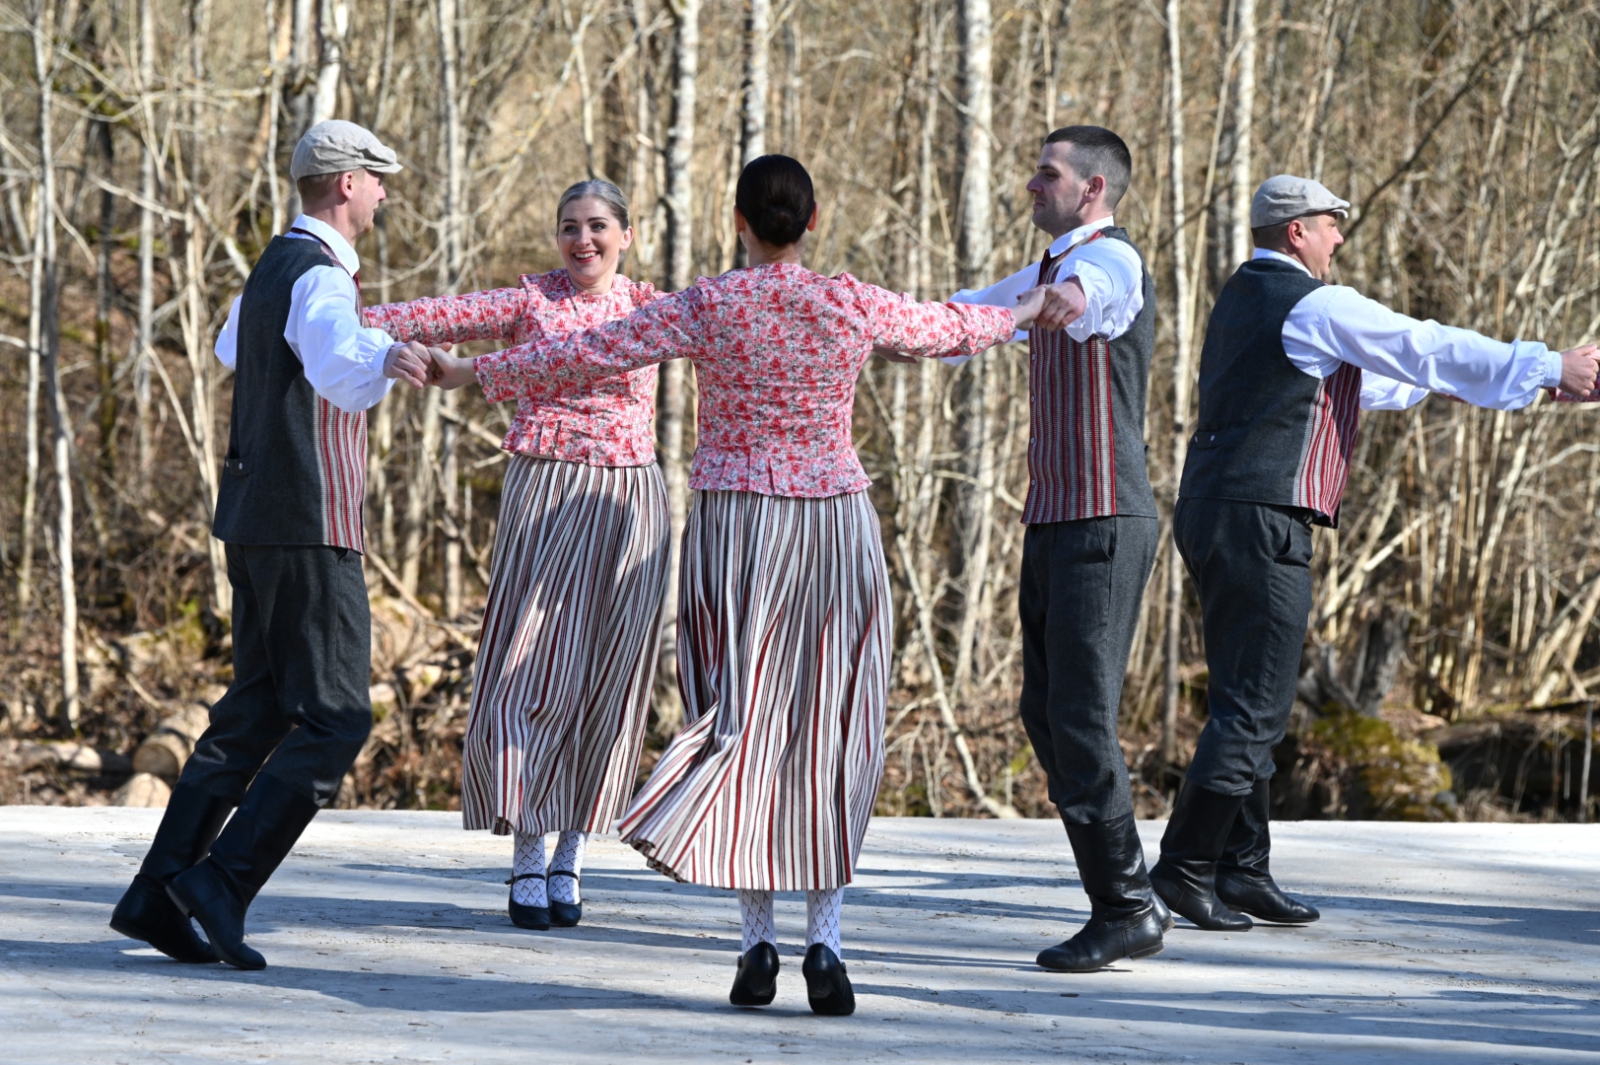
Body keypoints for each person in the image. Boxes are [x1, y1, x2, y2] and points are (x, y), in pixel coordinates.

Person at [426, 155, 1041, 1015]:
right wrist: (1032, 308)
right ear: (814, 220)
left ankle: (756, 941)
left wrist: (474, 374)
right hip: (834, 526)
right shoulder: (849, 300)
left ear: (739, 223)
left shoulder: (711, 303)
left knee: (740, 715)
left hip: (738, 524)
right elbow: (950, 328)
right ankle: (824, 939)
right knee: (827, 724)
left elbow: (588, 354)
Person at [1156, 174, 1600, 933]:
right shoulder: (1316, 302)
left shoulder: (1245, 297)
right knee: (1257, 705)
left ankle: (1242, 869)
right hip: (1260, 517)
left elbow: (1374, 381)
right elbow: (1422, 343)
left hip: (1217, 511)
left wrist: (1503, 384)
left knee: (1245, 697)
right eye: (1332, 225)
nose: (1339, 238)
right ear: (1297, 231)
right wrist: (1549, 364)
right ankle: (1185, 865)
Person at [109, 120, 436, 970]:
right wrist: (389, 354)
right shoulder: (322, 278)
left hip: (251, 521)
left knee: (253, 711)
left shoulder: (269, 270)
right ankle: (223, 881)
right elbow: (334, 370)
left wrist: (371, 343)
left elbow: (230, 347)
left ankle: (155, 893)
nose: (383, 193)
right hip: (305, 524)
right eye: (376, 179)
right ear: (343, 184)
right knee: (336, 716)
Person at [363, 180, 668, 932]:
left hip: (631, 503)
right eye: (569, 227)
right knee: (531, 670)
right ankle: (526, 851)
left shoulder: (658, 307)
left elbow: (744, 327)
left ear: (627, 235)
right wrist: (323, 315)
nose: (583, 240)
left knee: (607, 673)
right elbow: (430, 315)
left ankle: (572, 852)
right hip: (547, 491)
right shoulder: (533, 301)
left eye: (598, 226)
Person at [934, 126, 1171, 972]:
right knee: (1045, 713)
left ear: (1095, 188)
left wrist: (1047, 306)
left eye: (1049, 173)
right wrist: (849, 315)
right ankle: (1125, 895)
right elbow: (965, 314)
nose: (1033, 185)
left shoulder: (1112, 262)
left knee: (1079, 714)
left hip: (1107, 518)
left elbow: (1082, 298)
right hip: (1055, 517)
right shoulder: (1039, 272)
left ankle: (1127, 904)